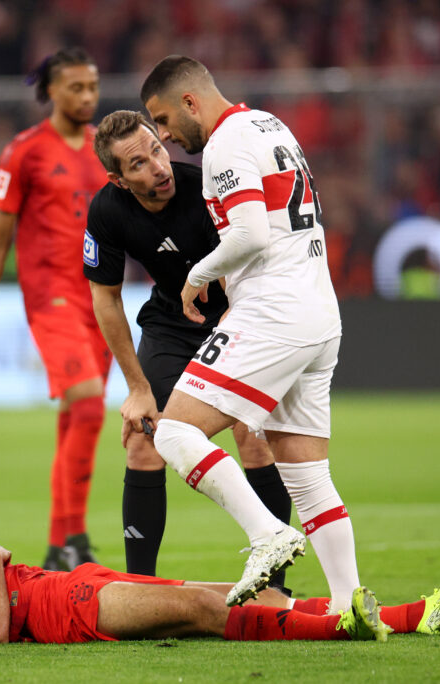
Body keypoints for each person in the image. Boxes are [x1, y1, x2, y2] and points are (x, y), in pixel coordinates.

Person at [139, 56, 355, 610]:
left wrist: (197, 275)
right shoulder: (268, 124)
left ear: (190, 102)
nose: (163, 136)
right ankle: (347, 601)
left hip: (274, 311)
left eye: (163, 120)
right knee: (306, 476)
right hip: (318, 310)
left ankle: (267, 535)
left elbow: (251, 234)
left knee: (173, 433)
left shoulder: (224, 144)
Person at [0, 484, 440, 644]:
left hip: (72, 587)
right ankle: (362, 627)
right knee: (211, 608)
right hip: (65, 609)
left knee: (237, 591)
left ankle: (415, 615)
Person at [86, 109, 293, 581]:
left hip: (236, 313)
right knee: (143, 437)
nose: (157, 167)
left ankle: (275, 587)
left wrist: (237, 321)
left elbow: (254, 258)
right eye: (137, 164)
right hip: (172, 322)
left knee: (251, 433)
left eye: (157, 150)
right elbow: (105, 297)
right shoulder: (107, 211)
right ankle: (140, 588)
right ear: (119, 181)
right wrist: (136, 387)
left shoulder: (206, 190)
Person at [0, 48, 112, 569]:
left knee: (77, 416)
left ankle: (61, 543)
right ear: (50, 91)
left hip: (102, 297)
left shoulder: (107, 147)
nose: (88, 97)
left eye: (92, 86)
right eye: (76, 87)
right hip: (51, 297)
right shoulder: (22, 153)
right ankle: (73, 539)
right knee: (90, 404)